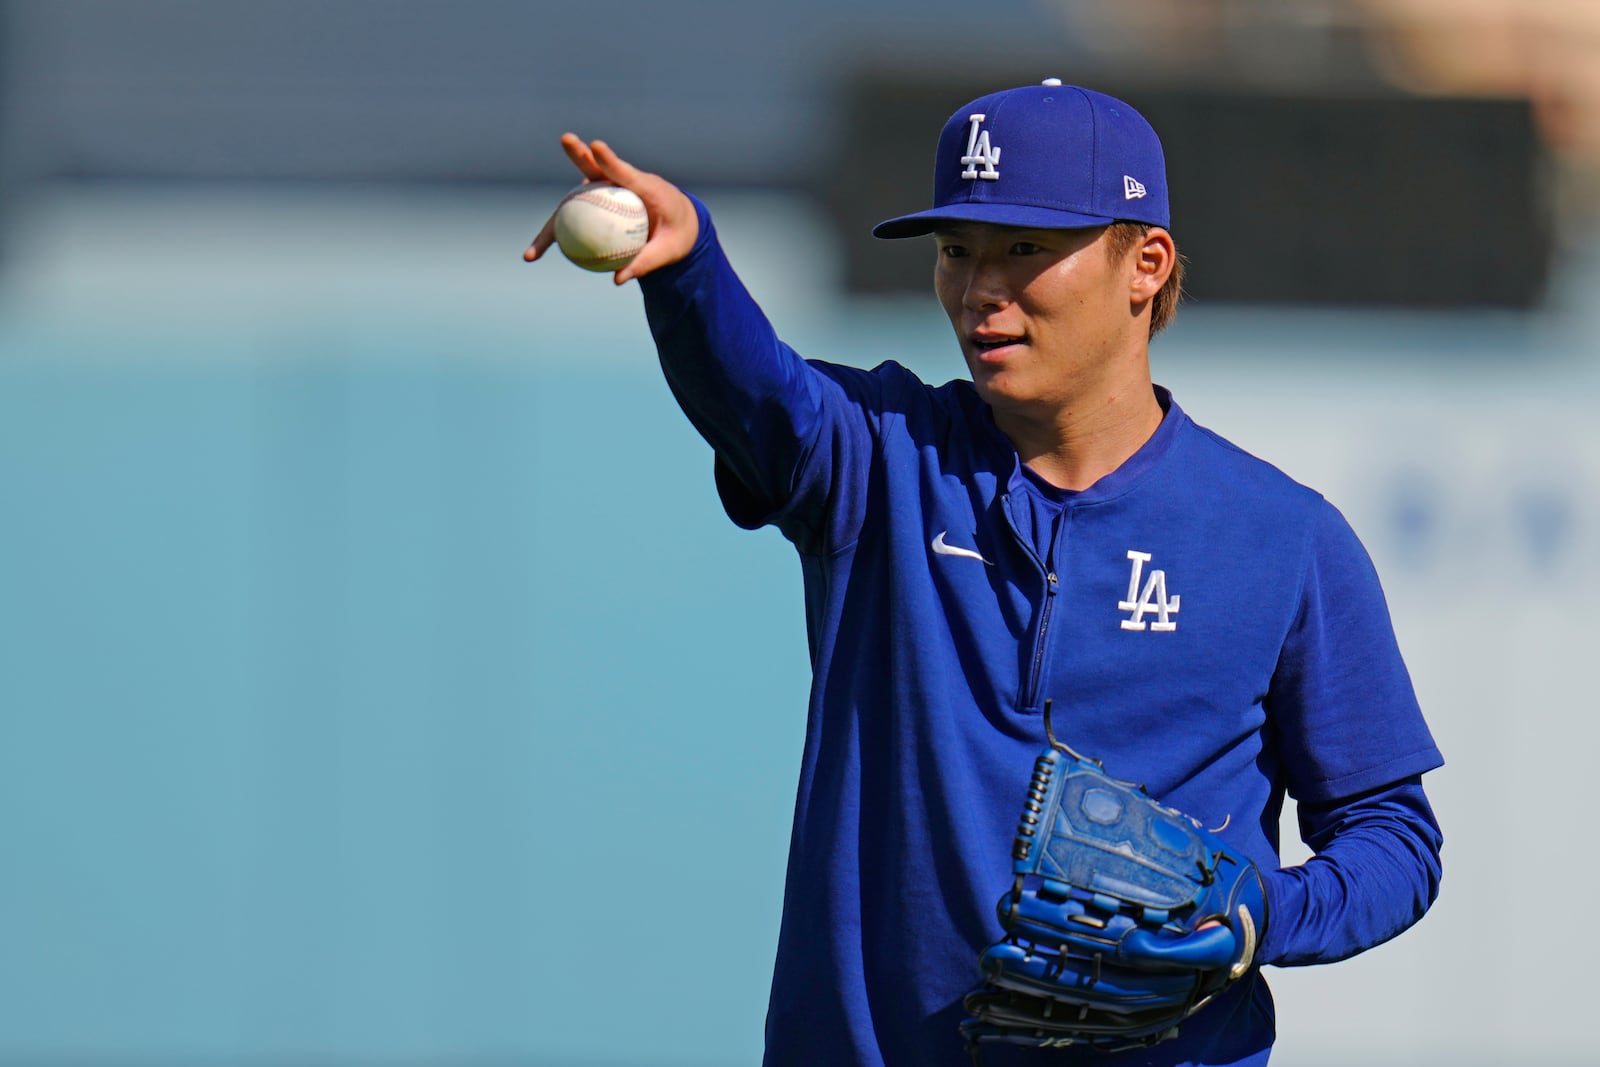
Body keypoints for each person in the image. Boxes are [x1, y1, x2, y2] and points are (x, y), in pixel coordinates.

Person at [525, 80, 1444, 1067]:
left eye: (1023, 249)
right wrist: (690, 268)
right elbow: (757, 393)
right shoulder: (879, 457)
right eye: (956, 249)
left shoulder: (1281, 537)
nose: (978, 290)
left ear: (1146, 263)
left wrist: (1263, 908)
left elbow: (1393, 837)